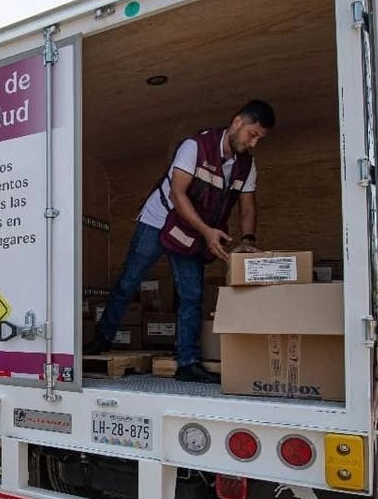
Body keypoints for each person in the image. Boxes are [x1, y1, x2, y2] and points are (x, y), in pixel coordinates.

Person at [86, 100, 275, 384]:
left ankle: (187, 362)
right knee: (128, 281)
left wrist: (248, 240)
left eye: (260, 138)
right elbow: (177, 194)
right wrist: (208, 231)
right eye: (253, 134)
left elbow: (248, 207)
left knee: (192, 295)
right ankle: (101, 340)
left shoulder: (246, 166)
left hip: (192, 233)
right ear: (237, 122)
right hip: (158, 220)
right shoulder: (194, 147)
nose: (254, 143)